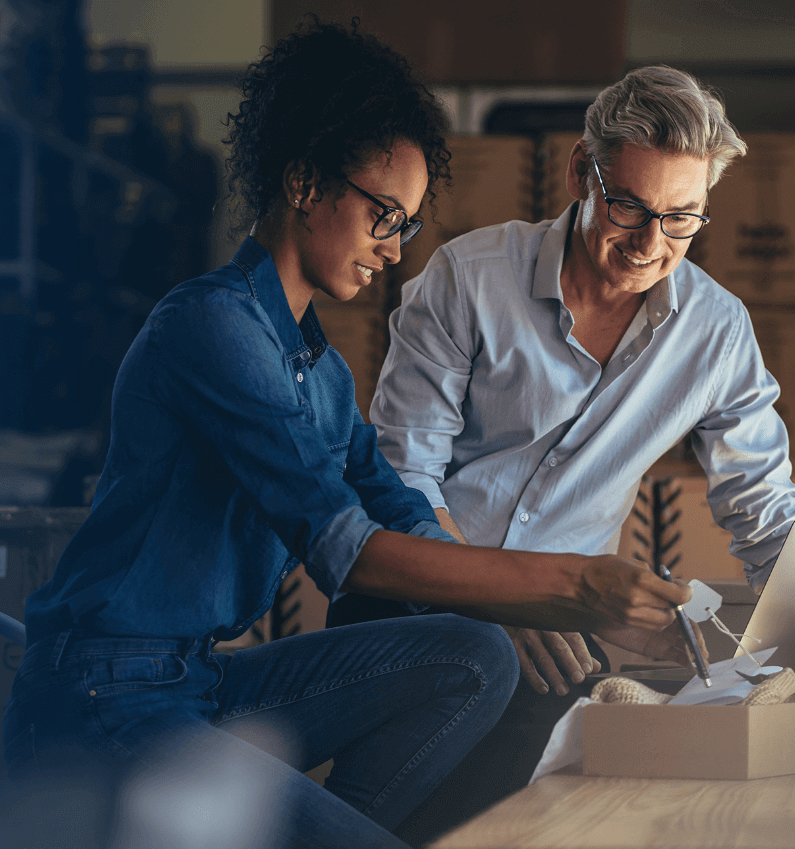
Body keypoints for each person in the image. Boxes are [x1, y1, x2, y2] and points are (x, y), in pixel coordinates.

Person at [0, 26, 697, 849]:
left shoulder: (316, 369)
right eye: (384, 215)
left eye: (406, 224)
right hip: (101, 698)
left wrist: (552, 606)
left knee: (477, 653)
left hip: (197, 681)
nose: (394, 249)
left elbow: (398, 508)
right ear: (302, 182)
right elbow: (349, 550)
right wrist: (573, 584)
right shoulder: (210, 327)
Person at [333, 65, 795, 843]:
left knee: (527, 819)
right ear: (579, 175)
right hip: (418, 595)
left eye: (682, 218)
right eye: (627, 206)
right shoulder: (468, 278)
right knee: (388, 819)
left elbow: (763, 513)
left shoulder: (716, 331)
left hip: (561, 626)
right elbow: (401, 478)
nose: (650, 244)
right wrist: (499, 595)